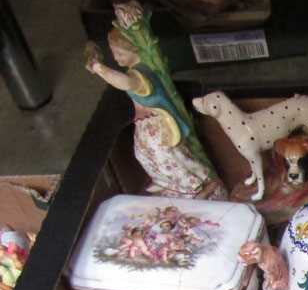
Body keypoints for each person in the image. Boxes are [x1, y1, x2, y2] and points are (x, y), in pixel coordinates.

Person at [85, 29, 224, 198]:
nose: (116, 58)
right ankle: (168, 184)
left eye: (120, 53)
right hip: (146, 123)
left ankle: (193, 186)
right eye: (114, 53)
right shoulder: (136, 70)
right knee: (143, 154)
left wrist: (99, 68)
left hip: (158, 124)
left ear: (134, 49)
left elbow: (125, 83)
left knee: (166, 156)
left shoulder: (139, 75)